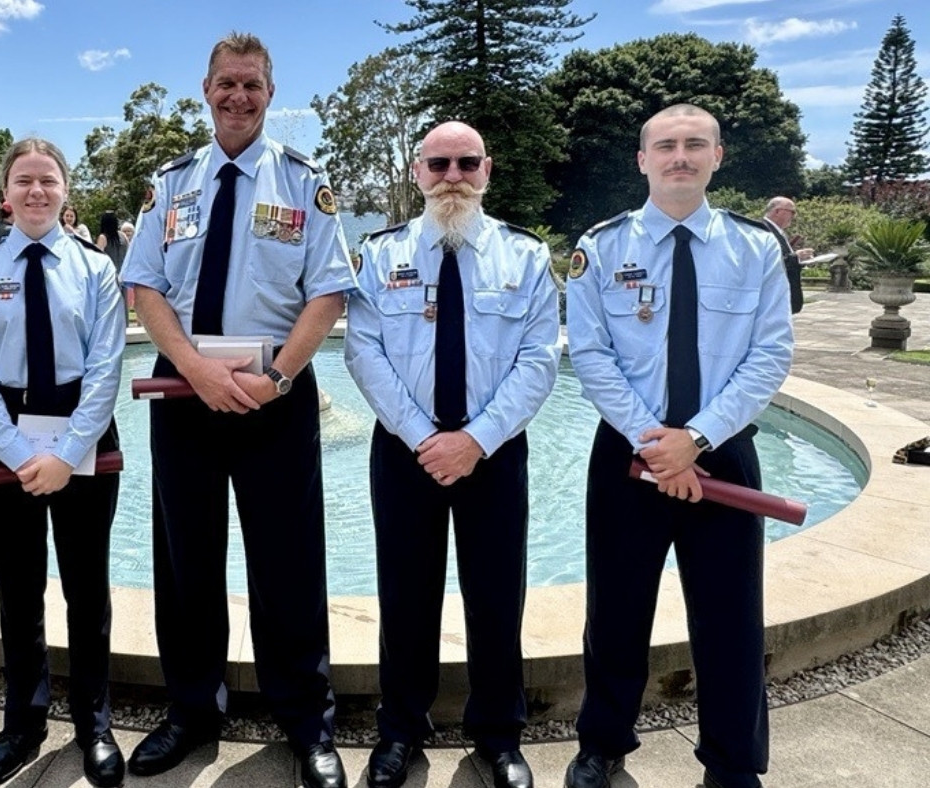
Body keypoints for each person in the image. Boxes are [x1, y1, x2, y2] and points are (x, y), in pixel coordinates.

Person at [120, 31, 357, 788]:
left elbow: (327, 293)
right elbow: (145, 287)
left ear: (269, 94)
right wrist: (192, 367)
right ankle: (191, 712)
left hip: (274, 394)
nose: (238, 96)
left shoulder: (303, 184)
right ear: (205, 88)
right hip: (184, 393)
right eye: (226, 82)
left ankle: (306, 722)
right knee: (187, 560)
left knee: (288, 562)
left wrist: (280, 378)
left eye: (252, 84)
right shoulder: (170, 185)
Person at [563, 104, 793, 788]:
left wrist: (694, 439)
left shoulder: (756, 249)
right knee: (616, 612)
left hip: (722, 452)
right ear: (643, 160)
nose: (680, 157)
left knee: (731, 618)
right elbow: (591, 354)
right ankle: (601, 745)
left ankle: (732, 764)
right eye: (666, 146)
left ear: (718, 156)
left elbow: (771, 354)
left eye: (695, 145)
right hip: (627, 458)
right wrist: (653, 443)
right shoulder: (600, 248)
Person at [344, 121, 559, 788]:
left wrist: (474, 441)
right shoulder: (380, 256)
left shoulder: (523, 258)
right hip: (406, 451)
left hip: (493, 453)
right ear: (418, 172)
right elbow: (362, 351)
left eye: (467, 162)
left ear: (486, 170)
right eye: (439, 163)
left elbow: (541, 359)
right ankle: (400, 731)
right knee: (405, 596)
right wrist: (423, 437)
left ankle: (499, 735)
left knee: (496, 597)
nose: (453, 175)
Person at [0, 138, 126, 788]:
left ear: (63, 192)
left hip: (84, 435)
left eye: (46, 180)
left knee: (88, 592)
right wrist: (27, 456)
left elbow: (108, 368)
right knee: (18, 592)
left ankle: (95, 724)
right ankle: (23, 724)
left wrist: (69, 454)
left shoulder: (96, 269)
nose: (35, 191)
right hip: (6, 445)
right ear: (6, 193)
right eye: (23, 180)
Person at [762, 197, 812, 314]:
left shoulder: (776, 231)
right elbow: (768, 261)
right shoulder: (764, 230)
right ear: (777, 211)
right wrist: (795, 257)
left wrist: (800, 260)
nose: (794, 216)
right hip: (774, 295)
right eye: (792, 212)